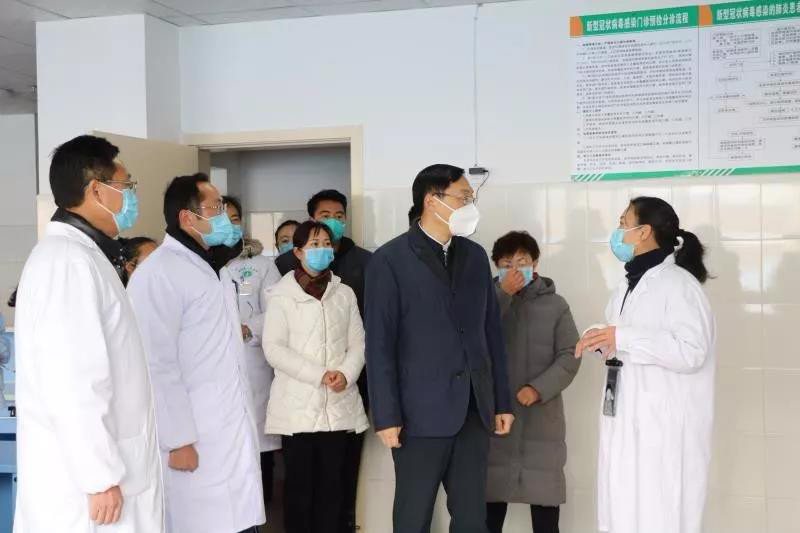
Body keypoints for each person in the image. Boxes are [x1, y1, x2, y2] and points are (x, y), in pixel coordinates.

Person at [12, 135, 163, 532]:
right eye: (126, 185)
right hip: (90, 494)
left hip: (105, 478)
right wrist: (99, 477)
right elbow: (72, 381)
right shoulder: (67, 262)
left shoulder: (83, 257)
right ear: (97, 190)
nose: (131, 196)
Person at [365, 163, 514, 533]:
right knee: (413, 516)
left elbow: (491, 334)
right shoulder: (390, 260)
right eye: (464, 197)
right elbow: (379, 344)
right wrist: (385, 415)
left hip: (473, 411)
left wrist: (502, 402)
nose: (470, 205)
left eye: (471, 198)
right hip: (418, 415)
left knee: (472, 518)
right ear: (432, 200)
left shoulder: (475, 256)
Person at [127, 173, 265, 533]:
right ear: (188, 218)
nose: (225, 215)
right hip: (193, 440)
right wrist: (178, 440)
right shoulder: (159, 273)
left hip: (227, 430)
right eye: (216, 207)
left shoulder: (211, 270)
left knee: (238, 518)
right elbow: (156, 363)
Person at [575, 197, 716, 533]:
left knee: (658, 513)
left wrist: (622, 337)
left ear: (643, 232)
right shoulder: (627, 284)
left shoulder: (679, 285)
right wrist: (602, 340)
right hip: (626, 419)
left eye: (623, 223)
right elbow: (628, 342)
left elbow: (692, 351)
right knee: (622, 510)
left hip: (662, 430)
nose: (617, 232)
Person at [274, 189, 372, 533]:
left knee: (336, 488)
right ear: (298, 251)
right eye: (314, 244)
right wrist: (320, 375)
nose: (321, 250)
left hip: (340, 402)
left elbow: (359, 341)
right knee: (300, 489)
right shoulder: (281, 290)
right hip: (299, 405)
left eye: (326, 244)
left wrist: (345, 373)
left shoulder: (345, 290)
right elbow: (274, 348)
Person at [485, 231, 581, 533]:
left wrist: (538, 388)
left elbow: (571, 354)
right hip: (495, 417)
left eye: (522, 262)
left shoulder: (556, 305)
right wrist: (502, 294)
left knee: (545, 510)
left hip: (541, 419)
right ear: (496, 267)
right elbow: (472, 337)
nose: (515, 269)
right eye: (506, 264)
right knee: (488, 509)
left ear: (535, 263)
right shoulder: (483, 301)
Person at [222, 195, 283, 513]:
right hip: (216, 365)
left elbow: (277, 310)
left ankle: (263, 511)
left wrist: (248, 328)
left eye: (235, 218)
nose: (230, 224)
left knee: (258, 444)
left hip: (252, 361)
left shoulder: (261, 265)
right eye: (223, 218)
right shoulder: (203, 265)